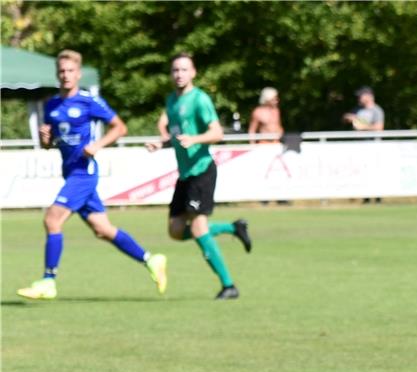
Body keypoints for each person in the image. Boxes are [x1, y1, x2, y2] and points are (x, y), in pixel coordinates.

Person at [16, 50, 167, 301]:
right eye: (61, 71)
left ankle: (48, 280)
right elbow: (51, 143)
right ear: (57, 74)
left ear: (78, 74)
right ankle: (151, 260)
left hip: (84, 173)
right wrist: (45, 140)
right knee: (102, 229)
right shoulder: (51, 105)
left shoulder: (89, 102)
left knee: (52, 219)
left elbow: (120, 127)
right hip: (70, 173)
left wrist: (97, 145)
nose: (65, 75)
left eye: (70, 71)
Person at [145, 52, 251, 300]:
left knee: (199, 225)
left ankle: (229, 285)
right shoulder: (171, 101)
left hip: (202, 170)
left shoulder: (200, 99)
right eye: (175, 70)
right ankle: (233, 228)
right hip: (185, 174)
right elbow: (178, 136)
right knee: (175, 230)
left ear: (193, 73)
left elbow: (216, 132)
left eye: (184, 70)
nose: (179, 74)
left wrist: (196, 139)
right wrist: (162, 144)